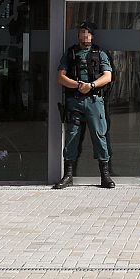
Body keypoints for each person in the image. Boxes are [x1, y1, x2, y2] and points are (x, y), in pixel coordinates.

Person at [53, 20, 115, 190]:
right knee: (72, 136)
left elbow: (108, 76)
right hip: (75, 101)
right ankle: (68, 176)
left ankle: (105, 175)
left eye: (87, 33)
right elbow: (60, 77)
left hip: (95, 101)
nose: (84, 35)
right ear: (78, 35)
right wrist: (78, 85)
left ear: (92, 36)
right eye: (82, 32)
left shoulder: (99, 52)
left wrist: (91, 85)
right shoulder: (71, 53)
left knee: (99, 136)